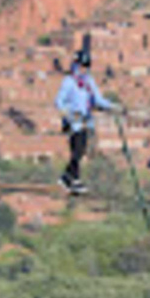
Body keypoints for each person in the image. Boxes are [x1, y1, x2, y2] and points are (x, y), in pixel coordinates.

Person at [54, 50, 123, 194]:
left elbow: (98, 99)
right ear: (75, 65)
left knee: (81, 150)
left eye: (85, 66)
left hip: (86, 121)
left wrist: (113, 106)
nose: (83, 69)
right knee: (77, 150)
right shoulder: (69, 82)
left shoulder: (88, 82)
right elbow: (59, 101)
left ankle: (66, 178)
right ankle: (75, 180)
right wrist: (68, 115)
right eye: (81, 66)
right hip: (74, 121)